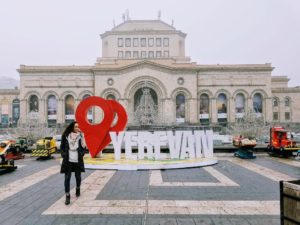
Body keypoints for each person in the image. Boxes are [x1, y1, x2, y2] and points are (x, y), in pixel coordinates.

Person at [60, 121, 86, 205]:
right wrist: (64, 155)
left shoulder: (80, 136)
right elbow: (62, 147)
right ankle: (67, 196)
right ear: (72, 127)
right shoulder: (66, 136)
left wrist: (81, 154)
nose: (77, 128)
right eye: (75, 127)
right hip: (68, 160)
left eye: (78, 126)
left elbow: (84, 146)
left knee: (78, 176)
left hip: (77, 160)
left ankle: (78, 188)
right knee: (67, 178)